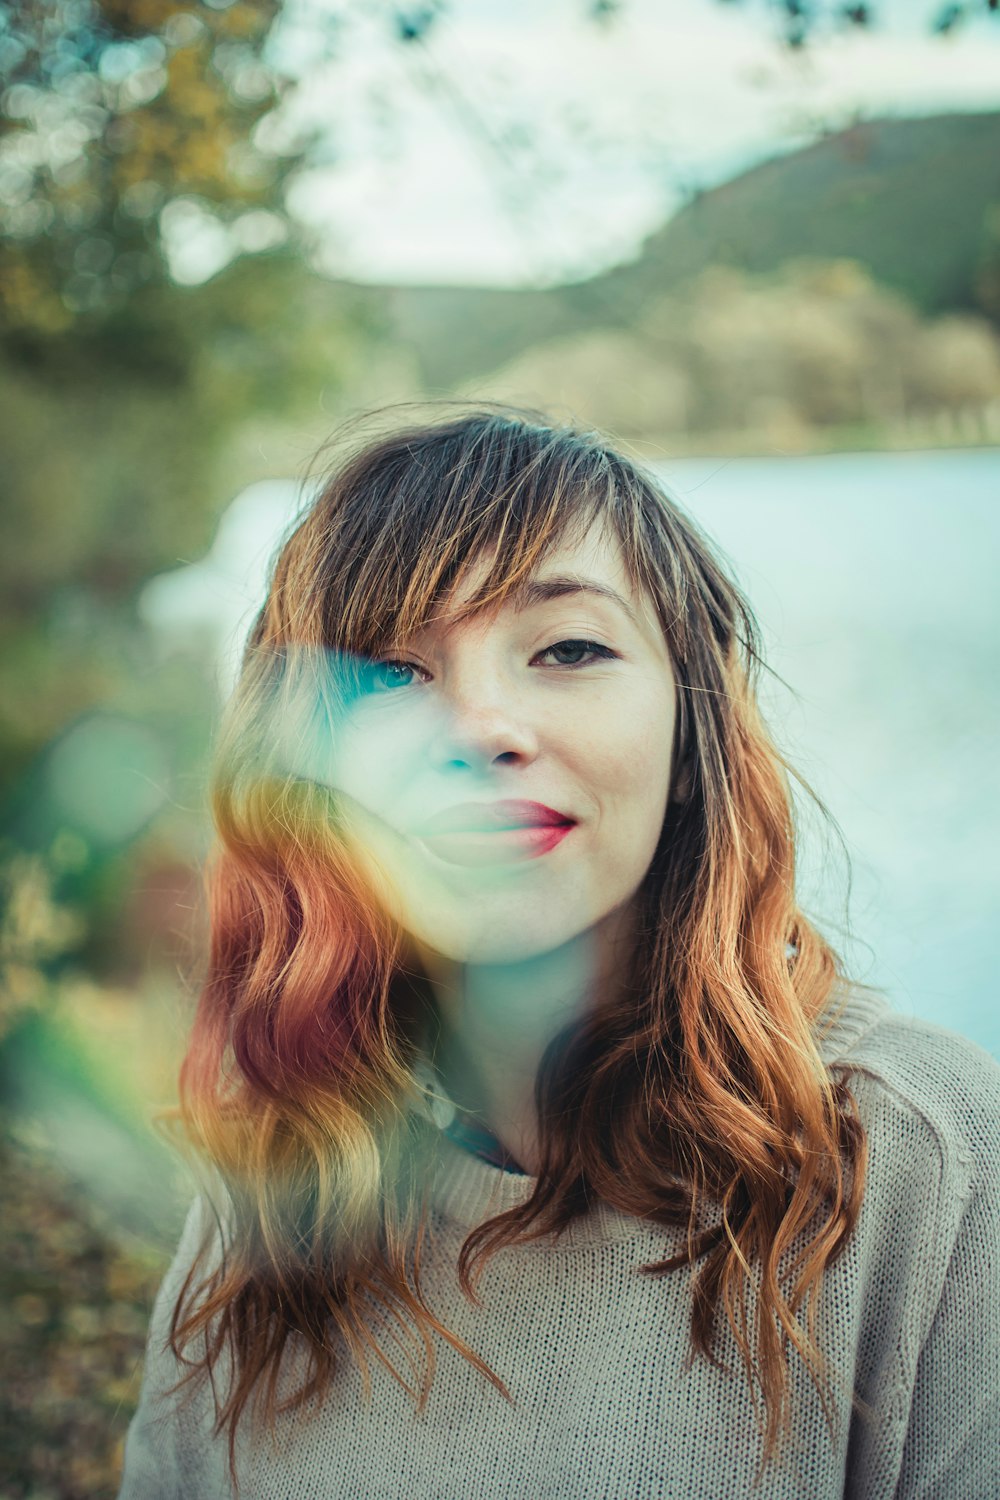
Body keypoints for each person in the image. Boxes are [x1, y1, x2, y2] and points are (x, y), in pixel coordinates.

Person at [119, 408, 1000, 1499]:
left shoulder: (925, 1158)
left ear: (694, 737)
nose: (481, 724)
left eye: (569, 648)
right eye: (391, 673)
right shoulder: (282, 1161)